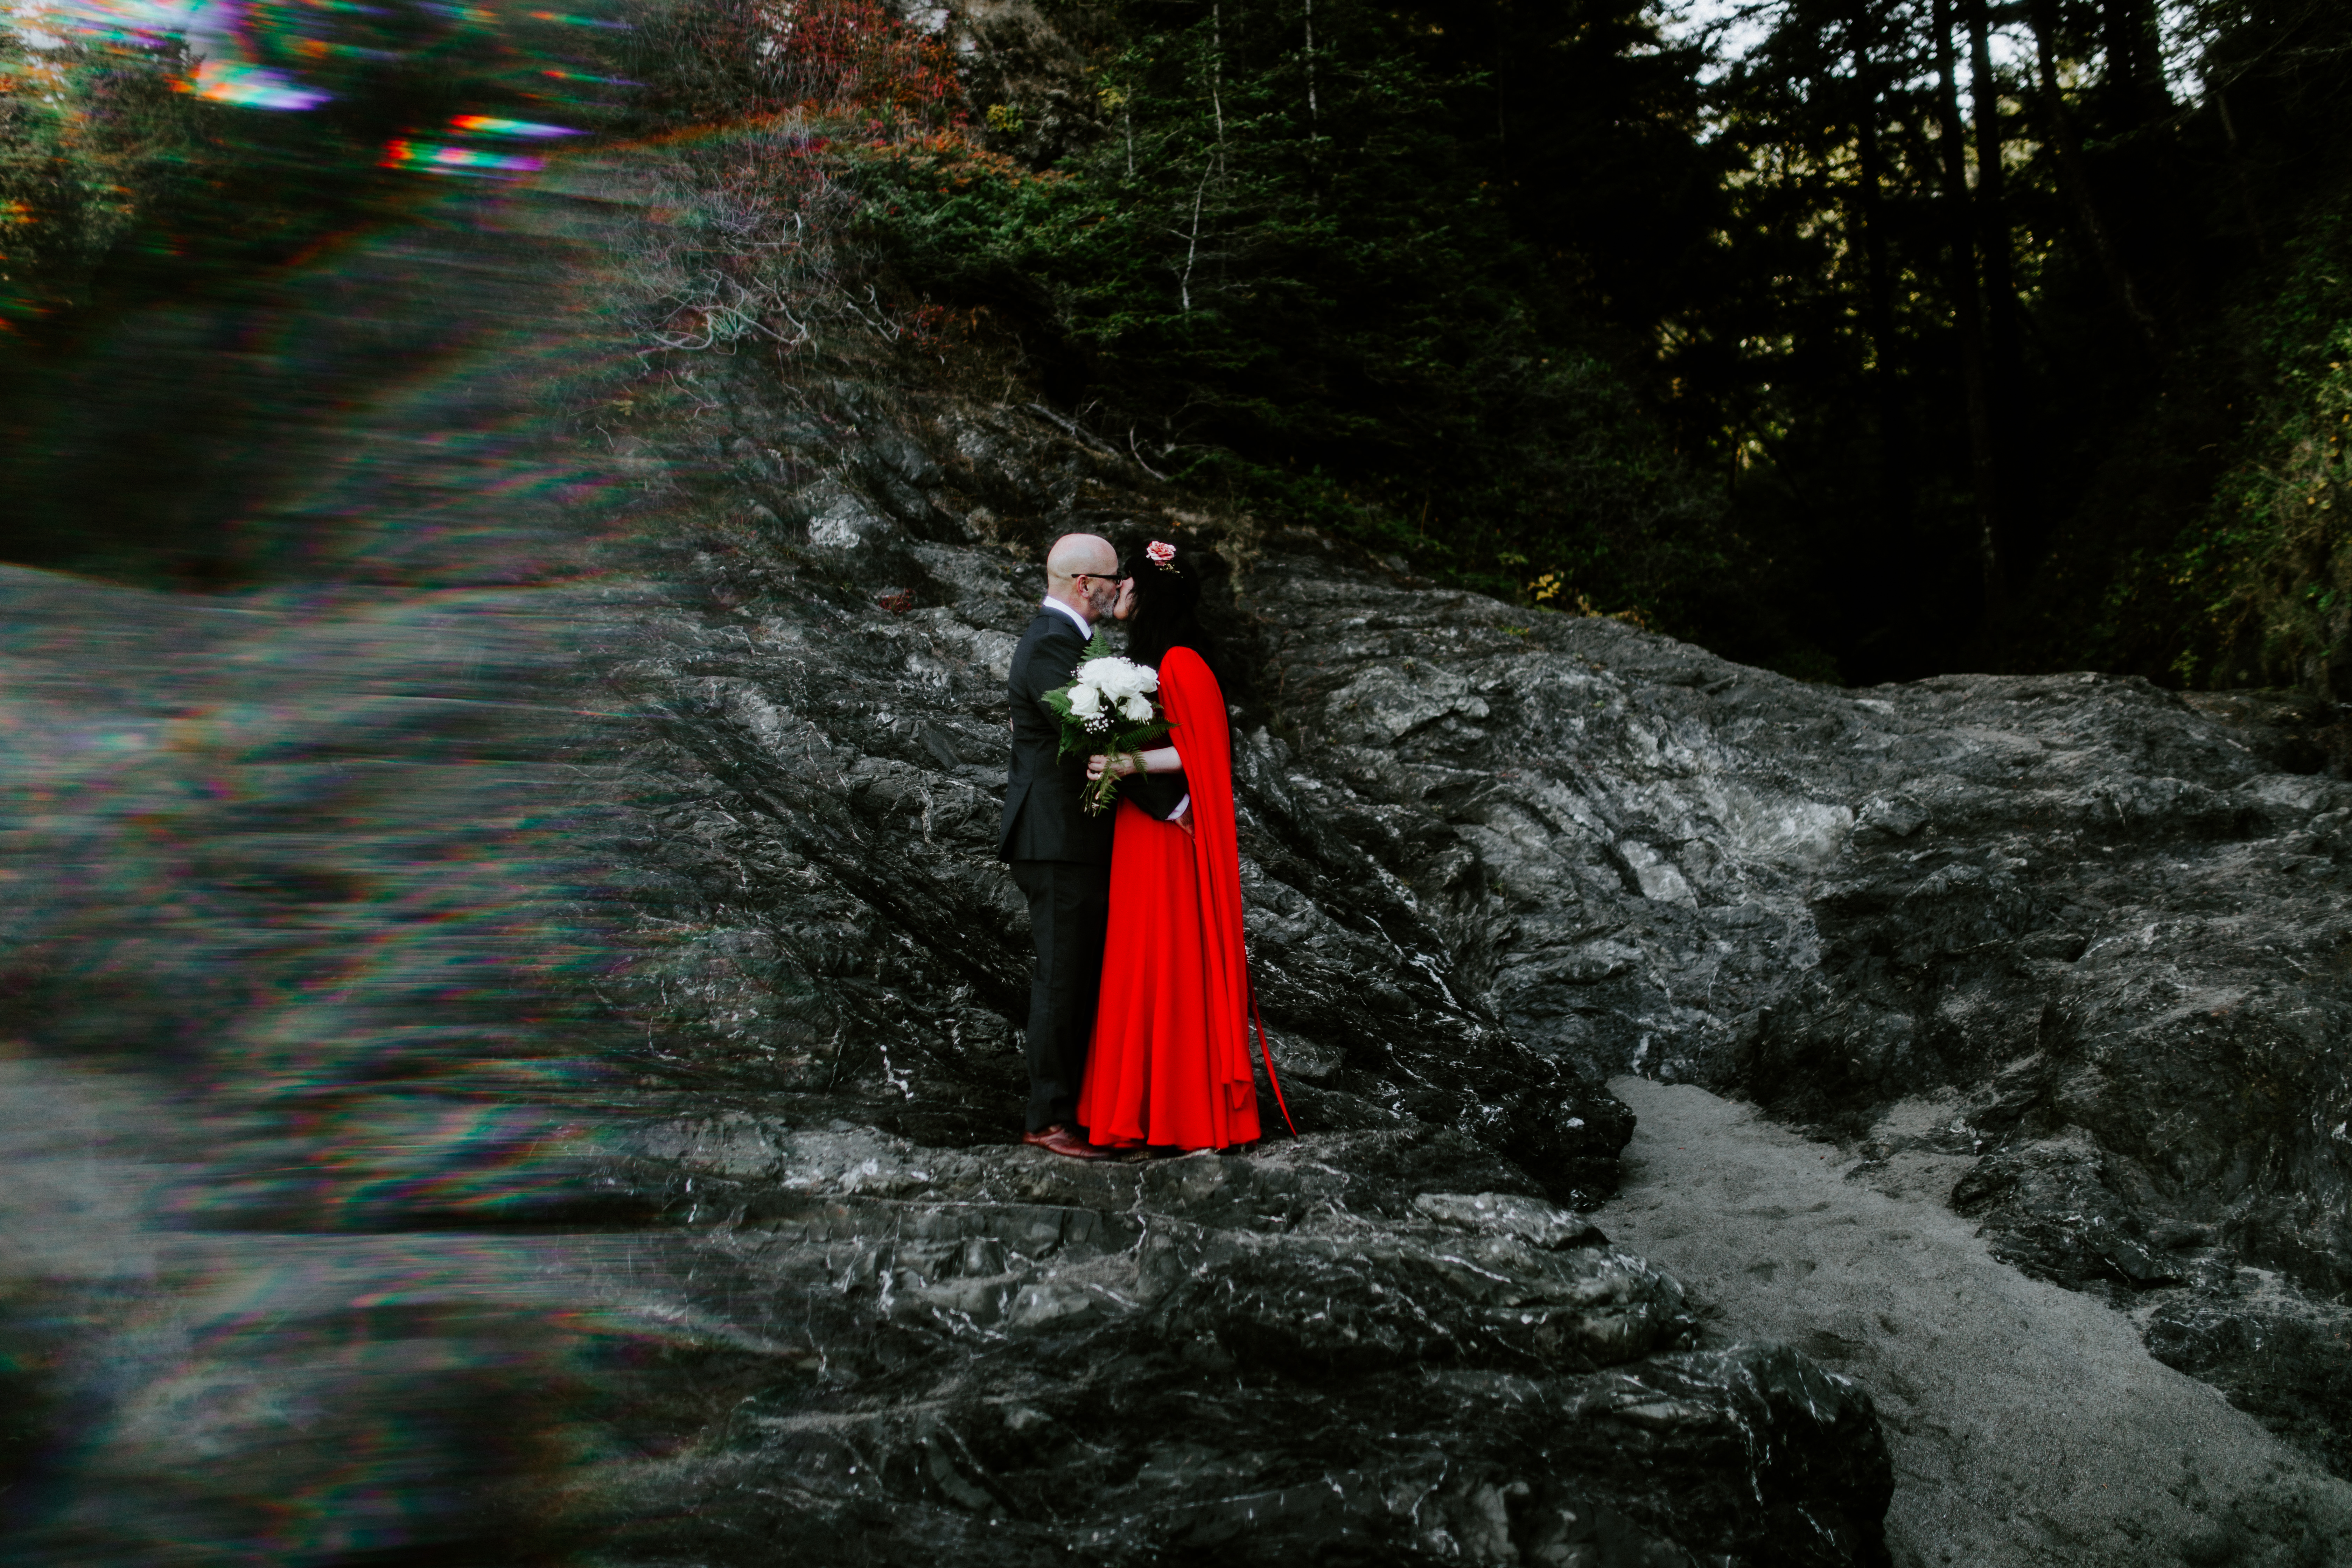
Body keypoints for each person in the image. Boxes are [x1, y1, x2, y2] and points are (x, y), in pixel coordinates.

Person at [1077, 539, 1288, 1152]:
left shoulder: (1181, 661)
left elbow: (1205, 756)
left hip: (1167, 835)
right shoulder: (1157, 660)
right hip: (1145, 828)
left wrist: (1122, 761)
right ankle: (1139, 1105)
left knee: (1160, 956)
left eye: (1129, 583)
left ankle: (1173, 1109)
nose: (1119, 591)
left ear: (1148, 593)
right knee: (1139, 956)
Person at [1000, 533, 1124, 1161]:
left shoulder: (1071, 639)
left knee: (1077, 977)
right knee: (1061, 979)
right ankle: (1047, 1119)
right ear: (1084, 585)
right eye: (1113, 579)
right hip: (1054, 838)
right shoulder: (1051, 642)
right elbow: (1089, 732)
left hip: (1070, 837)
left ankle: (1073, 1108)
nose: (1119, 588)